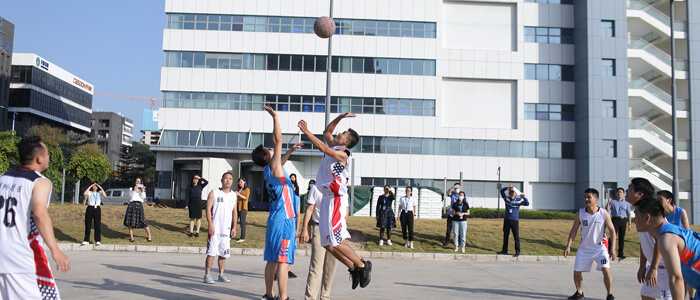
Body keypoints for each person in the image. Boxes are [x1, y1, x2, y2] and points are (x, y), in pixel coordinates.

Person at [298, 112, 372, 290]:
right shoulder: (337, 147)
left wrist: (306, 132)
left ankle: (363, 266)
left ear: (346, 142)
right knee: (326, 243)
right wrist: (341, 117)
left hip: (336, 200)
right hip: (326, 199)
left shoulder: (343, 154)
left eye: (343, 133)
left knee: (336, 242)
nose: (339, 133)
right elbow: (326, 132)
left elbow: (323, 147)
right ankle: (353, 268)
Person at [0, 135, 70, 300]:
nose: (49, 157)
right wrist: (55, 250)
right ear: (39, 158)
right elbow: (39, 214)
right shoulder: (39, 182)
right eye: (47, 154)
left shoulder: (2, 177)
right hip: (22, 257)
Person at [251, 105, 303, 300]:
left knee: (272, 259)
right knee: (283, 261)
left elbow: (280, 162)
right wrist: (275, 117)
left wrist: (289, 150)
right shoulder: (273, 166)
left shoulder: (269, 170)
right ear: (266, 157)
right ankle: (283, 298)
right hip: (285, 219)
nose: (272, 149)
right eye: (269, 150)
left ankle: (268, 294)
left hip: (275, 219)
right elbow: (277, 139)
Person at [633, 194, 700, 300]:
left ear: (647, 217)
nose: (634, 220)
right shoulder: (670, 231)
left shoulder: (667, 238)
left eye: (636, 215)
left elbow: (676, 279)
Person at [564, 188, 617, 300]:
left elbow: (612, 231)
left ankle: (610, 295)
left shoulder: (603, 213)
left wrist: (613, 249)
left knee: (606, 270)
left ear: (596, 199)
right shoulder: (580, 213)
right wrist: (568, 246)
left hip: (600, 248)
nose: (586, 199)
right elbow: (573, 230)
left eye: (589, 197)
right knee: (577, 271)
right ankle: (579, 293)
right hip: (584, 248)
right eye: (585, 197)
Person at [623, 178, 670, 300]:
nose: (626, 191)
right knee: (646, 295)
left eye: (630, 189)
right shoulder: (640, 212)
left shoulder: (650, 212)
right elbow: (644, 242)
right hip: (656, 266)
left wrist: (653, 268)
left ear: (640, 194)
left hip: (668, 268)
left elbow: (660, 240)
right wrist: (643, 265)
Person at [300, 180, 338, 300]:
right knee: (316, 266)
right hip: (319, 227)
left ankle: (325, 296)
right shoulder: (316, 188)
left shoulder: (339, 187)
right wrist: (304, 229)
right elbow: (310, 209)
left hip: (334, 230)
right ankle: (310, 297)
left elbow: (344, 211)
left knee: (330, 267)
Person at [203, 172, 238, 284]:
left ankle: (221, 274)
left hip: (226, 230)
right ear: (221, 180)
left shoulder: (233, 195)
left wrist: (234, 227)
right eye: (226, 178)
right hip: (215, 229)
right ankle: (207, 274)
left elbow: (235, 212)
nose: (228, 180)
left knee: (224, 254)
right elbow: (208, 209)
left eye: (230, 179)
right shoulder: (214, 193)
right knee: (212, 253)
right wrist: (210, 224)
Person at [498, 185, 529, 256]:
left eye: (513, 192)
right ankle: (504, 250)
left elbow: (527, 204)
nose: (511, 193)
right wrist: (508, 188)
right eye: (510, 192)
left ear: (515, 193)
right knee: (505, 235)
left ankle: (517, 251)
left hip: (514, 220)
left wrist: (524, 197)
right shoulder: (507, 199)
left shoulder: (518, 200)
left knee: (516, 236)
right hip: (507, 219)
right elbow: (502, 191)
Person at [123, 177, 152, 242]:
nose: (138, 183)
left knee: (143, 220)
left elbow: (143, 197)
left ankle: (149, 235)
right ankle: (131, 237)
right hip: (132, 204)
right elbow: (131, 196)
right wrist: (134, 190)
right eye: (137, 181)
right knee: (130, 222)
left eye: (139, 182)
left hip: (139, 205)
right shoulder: (131, 189)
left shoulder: (142, 189)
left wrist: (142, 191)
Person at [605, 188, 631, 259]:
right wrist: (608, 202)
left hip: (623, 220)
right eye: (618, 192)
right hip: (615, 220)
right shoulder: (613, 202)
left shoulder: (626, 203)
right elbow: (607, 209)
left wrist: (629, 224)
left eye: (621, 192)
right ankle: (609, 251)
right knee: (613, 236)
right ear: (616, 194)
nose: (619, 193)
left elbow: (629, 214)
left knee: (621, 237)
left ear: (623, 194)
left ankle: (620, 253)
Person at [288, 173, 301, 279]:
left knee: (291, 249)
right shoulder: (283, 197)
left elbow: (298, 215)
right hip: (285, 226)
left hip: (292, 227)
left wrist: (297, 229)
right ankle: (277, 271)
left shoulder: (297, 198)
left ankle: (288, 270)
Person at [236, 177, 249, 243]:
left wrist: (239, 194)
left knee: (242, 223)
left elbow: (245, 198)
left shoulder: (247, 190)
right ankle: (230, 235)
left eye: (241, 181)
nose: (240, 183)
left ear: (244, 182)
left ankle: (242, 237)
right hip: (237, 207)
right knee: (234, 221)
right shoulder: (238, 189)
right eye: (239, 182)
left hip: (243, 208)